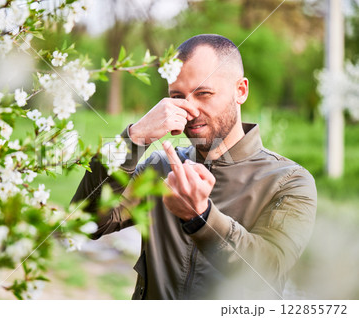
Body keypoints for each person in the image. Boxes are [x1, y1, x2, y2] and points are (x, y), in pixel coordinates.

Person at [71, 34, 317, 300]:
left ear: (241, 91)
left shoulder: (289, 181)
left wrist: (200, 218)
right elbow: (85, 222)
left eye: (204, 93)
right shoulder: (159, 169)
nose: (191, 109)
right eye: (178, 96)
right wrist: (132, 139)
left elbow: (269, 271)